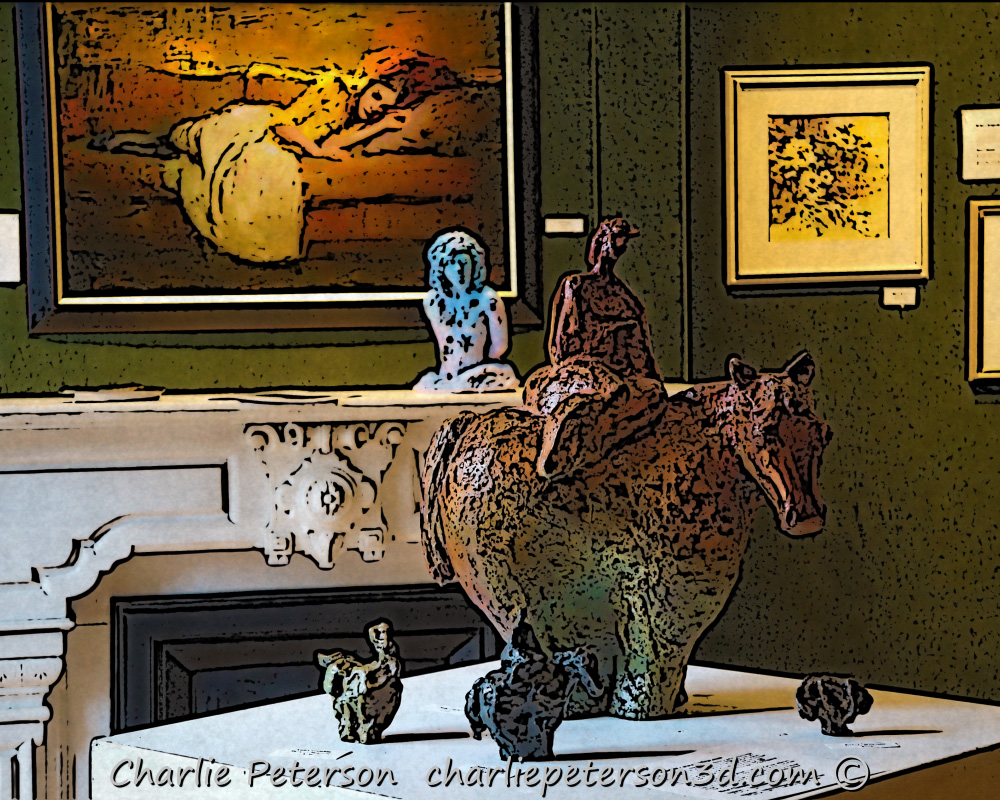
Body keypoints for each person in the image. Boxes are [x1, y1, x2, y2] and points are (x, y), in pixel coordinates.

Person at [95, 47, 459, 263]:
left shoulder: (358, 123)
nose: (374, 107)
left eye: (383, 108)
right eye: (376, 96)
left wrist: (378, 126)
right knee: (198, 140)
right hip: (263, 125)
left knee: (205, 158)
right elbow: (288, 124)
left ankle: (147, 144)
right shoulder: (332, 89)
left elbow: (333, 146)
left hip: (271, 142)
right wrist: (312, 148)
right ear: (367, 84)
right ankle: (139, 141)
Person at [524, 217, 669, 478]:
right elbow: (561, 346)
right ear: (603, 242)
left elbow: (642, 352)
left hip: (619, 377)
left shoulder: (627, 298)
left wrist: (653, 380)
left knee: (651, 394)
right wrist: (610, 333)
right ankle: (561, 446)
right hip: (584, 372)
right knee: (612, 392)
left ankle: (602, 443)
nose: (622, 245)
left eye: (624, 241)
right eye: (618, 239)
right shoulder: (576, 285)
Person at [414, 228, 519, 392]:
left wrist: (483, 367)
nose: (459, 269)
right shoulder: (432, 301)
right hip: (446, 378)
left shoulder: (488, 299)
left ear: (475, 264)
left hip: (481, 376)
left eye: (464, 263)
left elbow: (499, 347)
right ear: (441, 268)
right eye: (452, 263)